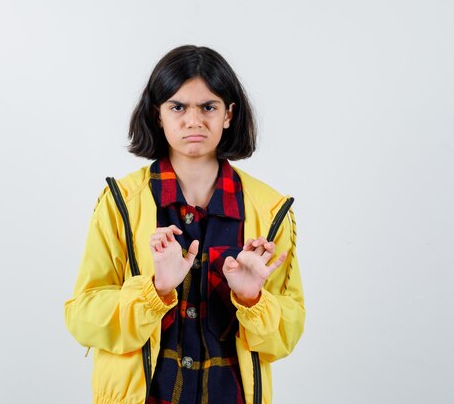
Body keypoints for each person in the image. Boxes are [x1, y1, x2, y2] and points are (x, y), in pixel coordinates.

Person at [64, 45, 305, 404]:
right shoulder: (121, 203)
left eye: (209, 107)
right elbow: (83, 317)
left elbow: (285, 336)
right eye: (178, 107)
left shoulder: (270, 211)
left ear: (228, 114)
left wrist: (251, 298)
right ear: (157, 115)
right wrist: (156, 290)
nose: (194, 121)